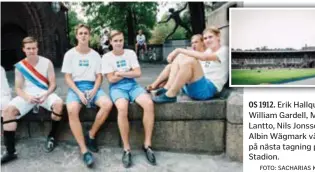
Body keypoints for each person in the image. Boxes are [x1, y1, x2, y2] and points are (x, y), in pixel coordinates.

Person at [1, 37, 64, 163]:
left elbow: (53, 84)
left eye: (34, 48)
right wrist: (27, 97)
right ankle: (10, 151)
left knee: (59, 104)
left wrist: (46, 94)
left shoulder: (47, 62)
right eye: (28, 48)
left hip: (44, 93)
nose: (31, 51)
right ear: (24, 49)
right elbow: (18, 88)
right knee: (7, 111)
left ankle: (51, 136)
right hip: (27, 95)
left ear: (37, 48)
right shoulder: (20, 66)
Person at [102, 30, 156, 168]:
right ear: (111, 42)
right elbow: (111, 79)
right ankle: (127, 149)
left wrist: (120, 72)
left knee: (149, 103)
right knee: (122, 107)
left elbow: (138, 73)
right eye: (115, 41)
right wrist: (128, 73)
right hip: (117, 88)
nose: (119, 43)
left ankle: (147, 145)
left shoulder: (130, 53)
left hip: (133, 86)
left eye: (120, 40)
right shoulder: (107, 57)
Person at [61, 24, 113, 168]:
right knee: (71, 110)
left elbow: (99, 77)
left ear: (89, 36)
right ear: (77, 36)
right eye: (81, 33)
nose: (83, 35)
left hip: (92, 86)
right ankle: (84, 150)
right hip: (76, 88)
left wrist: (94, 91)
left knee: (107, 104)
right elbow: (67, 77)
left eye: (86, 33)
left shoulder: (95, 55)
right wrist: (78, 93)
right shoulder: (70, 54)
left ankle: (91, 134)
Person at [152, 26, 229, 103]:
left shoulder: (224, 50)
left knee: (190, 60)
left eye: (210, 37)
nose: (207, 40)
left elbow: (204, 57)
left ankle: (171, 94)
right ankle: (168, 88)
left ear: (218, 36)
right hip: (195, 87)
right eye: (205, 38)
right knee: (181, 56)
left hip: (207, 90)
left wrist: (178, 50)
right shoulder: (208, 51)